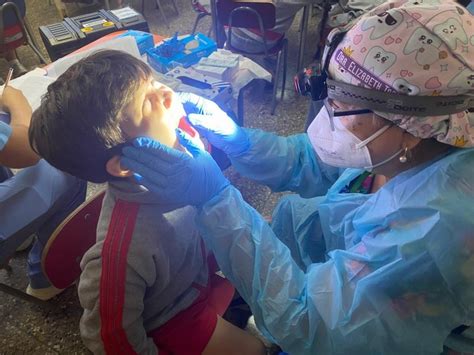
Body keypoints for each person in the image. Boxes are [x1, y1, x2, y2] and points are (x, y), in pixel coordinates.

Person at [120, 0, 474, 353]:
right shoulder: (400, 147)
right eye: (329, 95)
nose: (329, 115)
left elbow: (311, 324)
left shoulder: (436, 230)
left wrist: (216, 201)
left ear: (412, 127)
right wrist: (242, 143)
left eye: (340, 106)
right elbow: (317, 160)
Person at [28, 50, 265, 355]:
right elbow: (110, 338)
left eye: (154, 82)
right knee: (256, 349)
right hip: (174, 314)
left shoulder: (182, 157)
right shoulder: (122, 252)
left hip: (198, 277)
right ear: (124, 165)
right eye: (148, 99)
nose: (167, 92)